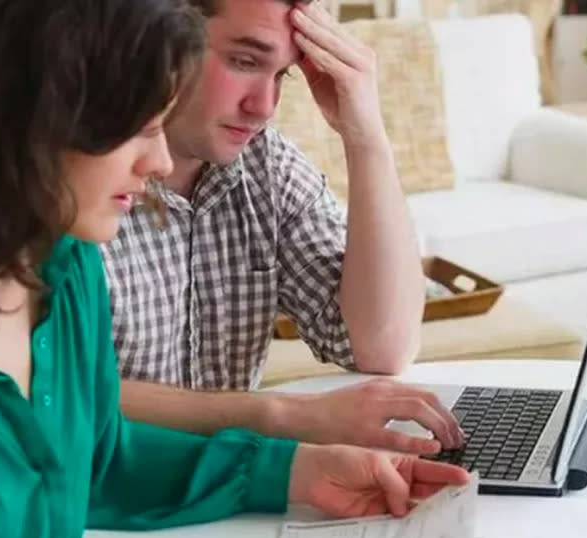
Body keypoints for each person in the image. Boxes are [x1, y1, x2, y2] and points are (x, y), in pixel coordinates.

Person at [0, 0, 469, 536]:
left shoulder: (64, 269)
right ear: (23, 107)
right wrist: (286, 420)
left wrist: (296, 471)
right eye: (139, 125)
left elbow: (100, 460)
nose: (157, 161)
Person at [101, 0, 465, 454]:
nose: (264, 107)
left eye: (281, 76)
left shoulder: (266, 165)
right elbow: (54, 398)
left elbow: (382, 347)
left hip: (232, 487)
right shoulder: (77, 184)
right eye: (245, 61)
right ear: (158, 39)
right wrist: (287, 416)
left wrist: (366, 136)